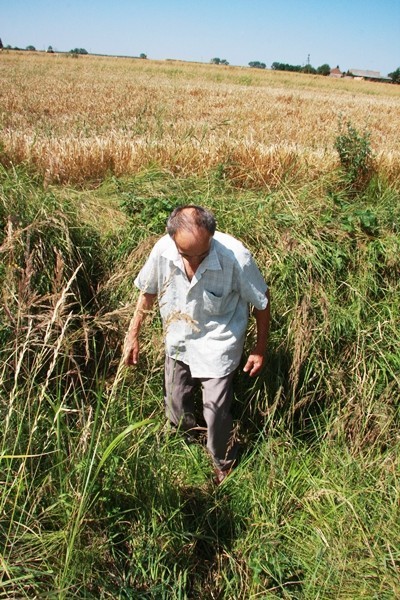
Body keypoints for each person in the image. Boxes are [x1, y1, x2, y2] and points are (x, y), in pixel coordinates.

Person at [124, 205, 270, 484]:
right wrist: (133, 334)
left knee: (215, 410)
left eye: (202, 255)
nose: (194, 263)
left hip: (219, 342)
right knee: (176, 408)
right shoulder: (163, 250)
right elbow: (148, 292)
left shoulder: (236, 257)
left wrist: (259, 349)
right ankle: (192, 442)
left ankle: (223, 462)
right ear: (173, 240)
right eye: (186, 255)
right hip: (179, 339)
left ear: (212, 238)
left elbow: (262, 302)